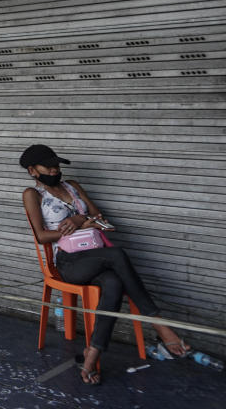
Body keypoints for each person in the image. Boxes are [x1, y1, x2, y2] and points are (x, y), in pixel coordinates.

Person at [20, 143, 190, 385]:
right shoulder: (33, 194)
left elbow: (99, 218)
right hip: (69, 263)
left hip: (96, 255)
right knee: (118, 255)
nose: (54, 170)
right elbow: (41, 236)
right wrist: (78, 225)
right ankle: (161, 326)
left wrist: (81, 218)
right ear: (32, 171)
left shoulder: (73, 186)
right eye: (47, 166)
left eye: (56, 165)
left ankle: (93, 353)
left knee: (114, 281)